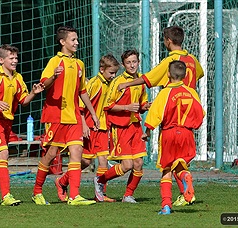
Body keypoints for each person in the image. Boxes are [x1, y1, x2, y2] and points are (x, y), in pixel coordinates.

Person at [118, 25, 204, 206]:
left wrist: (127, 84)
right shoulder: (192, 60)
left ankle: (167, 203)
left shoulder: (169, 63)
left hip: (170, 117)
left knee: (167, 163)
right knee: (179, 162)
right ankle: (186, 194)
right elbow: (200, 74)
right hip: (187, 116)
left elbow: (148, 78)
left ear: (168, 41)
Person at [32, 25, 100, 206]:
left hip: (74, 116)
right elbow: (43, 84)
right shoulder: (55, 61)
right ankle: (37, 190)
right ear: (63, 42)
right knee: (51, 154)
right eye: (73, 40)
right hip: (56, 116)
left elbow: (82, 91)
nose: (77, 42)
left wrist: (92, 114)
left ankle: (74, 196)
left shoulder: (79, 64)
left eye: (77, 39)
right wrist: (54, 77)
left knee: (77, 152)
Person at [0, 44, 44, 206]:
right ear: (1, 60)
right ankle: (6, 196)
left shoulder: (18, 78)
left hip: (6, 122)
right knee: (3, 154)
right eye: (11, 58)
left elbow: (23, 101)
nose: (15, 61)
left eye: (16, 58)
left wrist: (33, 93)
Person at [54, 54, 120, 203]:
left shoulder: (110, 84)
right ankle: (62, 181)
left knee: (103, 161)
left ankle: (100, 194)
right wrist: (83, 124)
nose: (113, 76)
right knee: (85, 162)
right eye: (111, 73)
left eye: (115, 73)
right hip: (89, 127)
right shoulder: (93, 84)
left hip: (102, 127)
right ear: (102, 69)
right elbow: (81, 106)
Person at [142, 60, 205, 215]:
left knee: (166, 170)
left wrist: (147, 130)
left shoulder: (165, 93)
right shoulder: (191, 92)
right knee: (181, 164)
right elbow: (200, 113)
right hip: (186, 133)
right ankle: (185, 175)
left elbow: (156, 113)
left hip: (169, 133)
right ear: (185, 75)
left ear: (168, 74)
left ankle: (166, 206)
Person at [93, 49, 150, 203]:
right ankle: (100, 180)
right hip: (121, 127)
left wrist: (145, 106)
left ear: (138, 62)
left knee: (139, 163)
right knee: (126, 165)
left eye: (134, 61)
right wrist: (126, 107)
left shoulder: (140, 81)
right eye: (128, 62)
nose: (132, 65)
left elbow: (141, 101)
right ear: (124, 65)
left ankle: (128, 195)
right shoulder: (118, 82)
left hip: (135, 126)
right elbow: (108, 105)